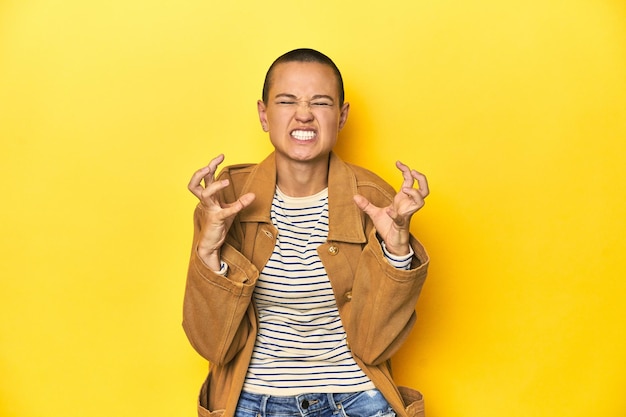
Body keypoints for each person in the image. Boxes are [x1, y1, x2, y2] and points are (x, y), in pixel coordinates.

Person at [183, 48, 430, 417]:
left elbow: (375, 346)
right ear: (264, 115)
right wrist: (209, 253)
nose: (304, 114)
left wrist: (396, 252)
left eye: (321, 102)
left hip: (356, 400)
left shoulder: (377, 202)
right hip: (250, 402)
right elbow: (212, 345)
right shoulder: (227, 197)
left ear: (342, 116)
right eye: (286, 101)